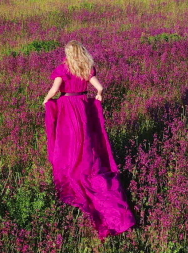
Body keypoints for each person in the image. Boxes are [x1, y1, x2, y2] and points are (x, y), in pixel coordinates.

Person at [42, 40, 136, 240]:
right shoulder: (87, 68)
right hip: (83, 105)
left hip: (68, 106)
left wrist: (46, 100)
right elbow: (99, 88)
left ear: (69, 53)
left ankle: (74, 167)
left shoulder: (63, 69)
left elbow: (55, 88)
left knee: (69, 141)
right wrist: (99, 96)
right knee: (86, 140)